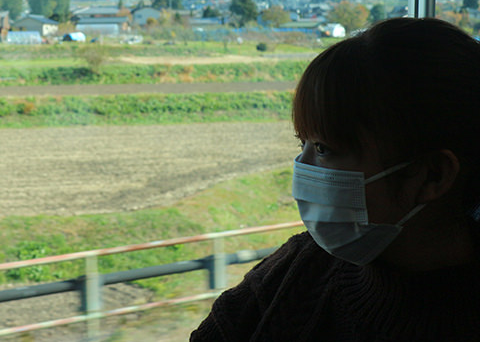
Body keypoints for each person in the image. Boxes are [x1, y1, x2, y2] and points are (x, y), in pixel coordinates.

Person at [190, 17, 480, 341]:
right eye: (303, 144)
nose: (303, 166)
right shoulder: (302, 266)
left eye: (324, 149)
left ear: (432, 175)